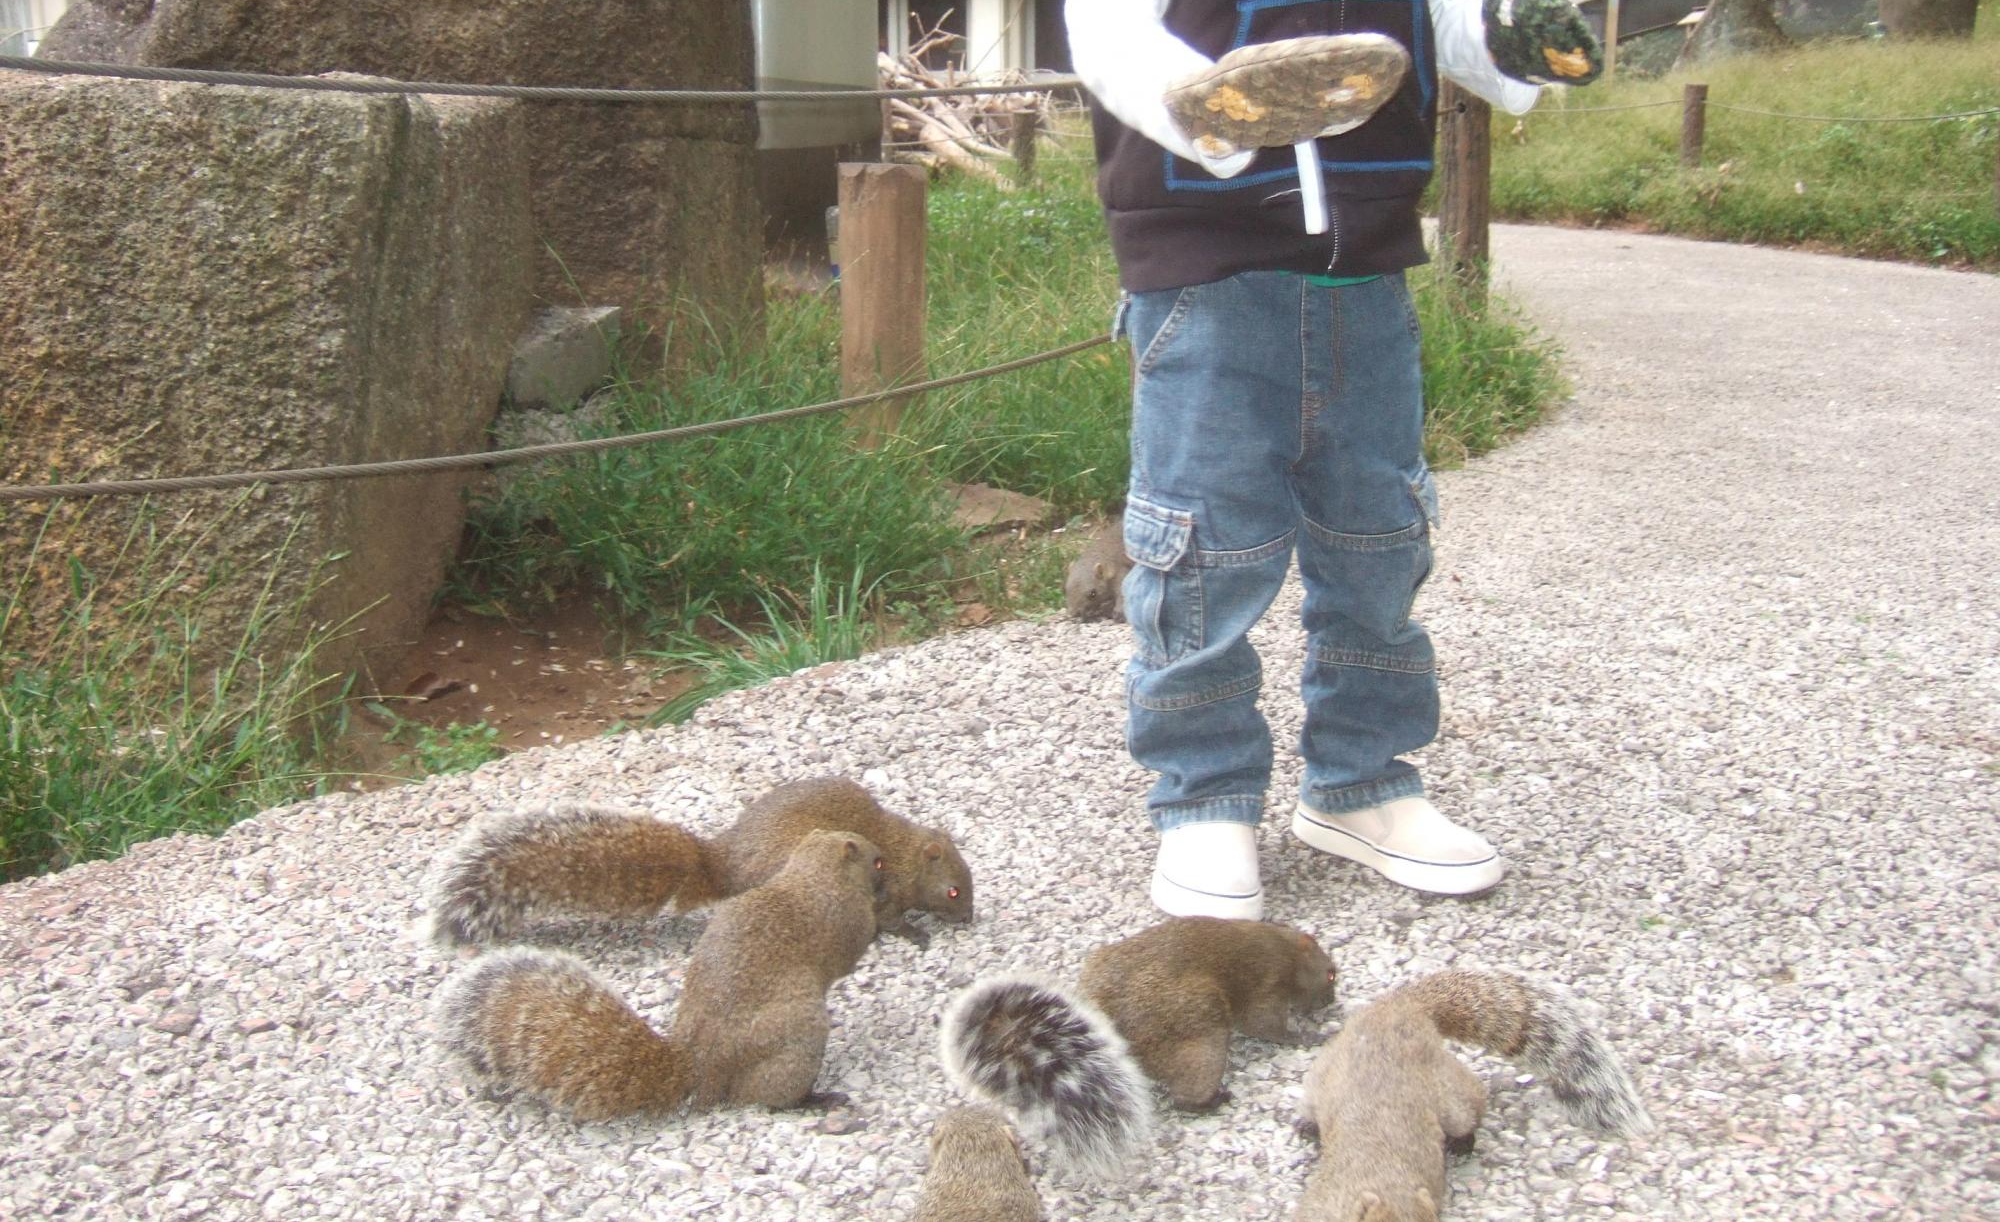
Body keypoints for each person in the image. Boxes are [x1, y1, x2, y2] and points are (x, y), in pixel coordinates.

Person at [1065, 0, 1600, 919]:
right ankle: (1204, 796)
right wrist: (1204, 111)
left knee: (1379, 539)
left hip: (1369, 273)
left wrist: (1512, 33)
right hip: (1205, 277)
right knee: (1202, 549)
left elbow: (1442, 25)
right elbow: (1108, 32)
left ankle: (1362, 784)